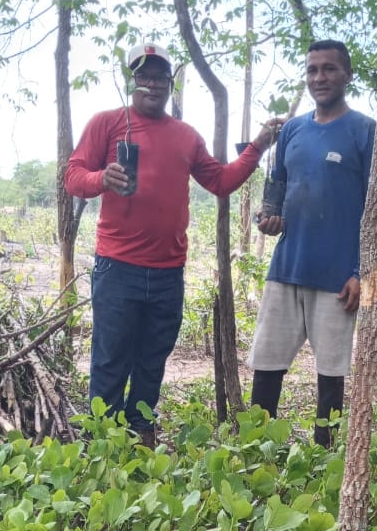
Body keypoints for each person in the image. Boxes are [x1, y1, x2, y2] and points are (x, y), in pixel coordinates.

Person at [65, 42, 279, 446]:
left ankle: (141, 431)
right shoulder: (108, 123)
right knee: (110, 360)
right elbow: (73, 175)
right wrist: (100, 180)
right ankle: (102, 442)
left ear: (171, 83)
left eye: (159, 76)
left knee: (151, 360)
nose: (151, 83)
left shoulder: (185, 136)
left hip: (167, 272)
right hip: (117, 267)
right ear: (133, 80)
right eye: (143, 75)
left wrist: (258, 145)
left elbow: (220, 181)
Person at [248, 39, 375, 445]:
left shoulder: (365, 131)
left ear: (347, 75)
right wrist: (270, 220)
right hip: (287, 267)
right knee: (266, 364)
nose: (319, 77)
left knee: (331, 373)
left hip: (340, 277)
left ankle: (324, 454)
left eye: (329, 69)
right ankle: (257, 447)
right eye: (312, 70)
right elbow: (278, 191)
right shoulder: (293, 131)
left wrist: (364, 276)